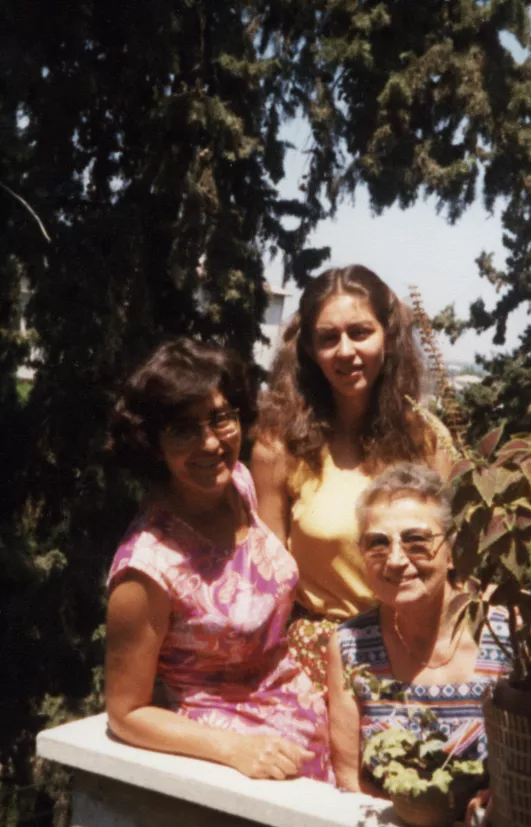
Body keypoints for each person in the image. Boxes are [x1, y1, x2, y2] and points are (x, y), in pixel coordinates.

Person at [105, 338, 331, 782]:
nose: (210, 443)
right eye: (183, 430)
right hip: (238, 771)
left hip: (304, 737)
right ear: (154, 444)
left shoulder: (240, 486)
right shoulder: (146, 568)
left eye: (220, 418)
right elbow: (126, 712)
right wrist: (234, 750)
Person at [252, 265, 455, 687]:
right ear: (310, 350)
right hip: (318, 656)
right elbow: (267, 578)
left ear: (388, 337)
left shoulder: (427, 440)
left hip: (416, 649)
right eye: (329, 338)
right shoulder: (280, 444)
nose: (346, 351)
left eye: (360, 332)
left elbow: (449, 562)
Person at [326, 463, 510, 813]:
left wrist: (505, 796)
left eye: (416, 541)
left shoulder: (505, 632)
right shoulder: (351, 646)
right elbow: (350, 780)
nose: (395, 560)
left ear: (453, 550)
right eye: (378, 544)